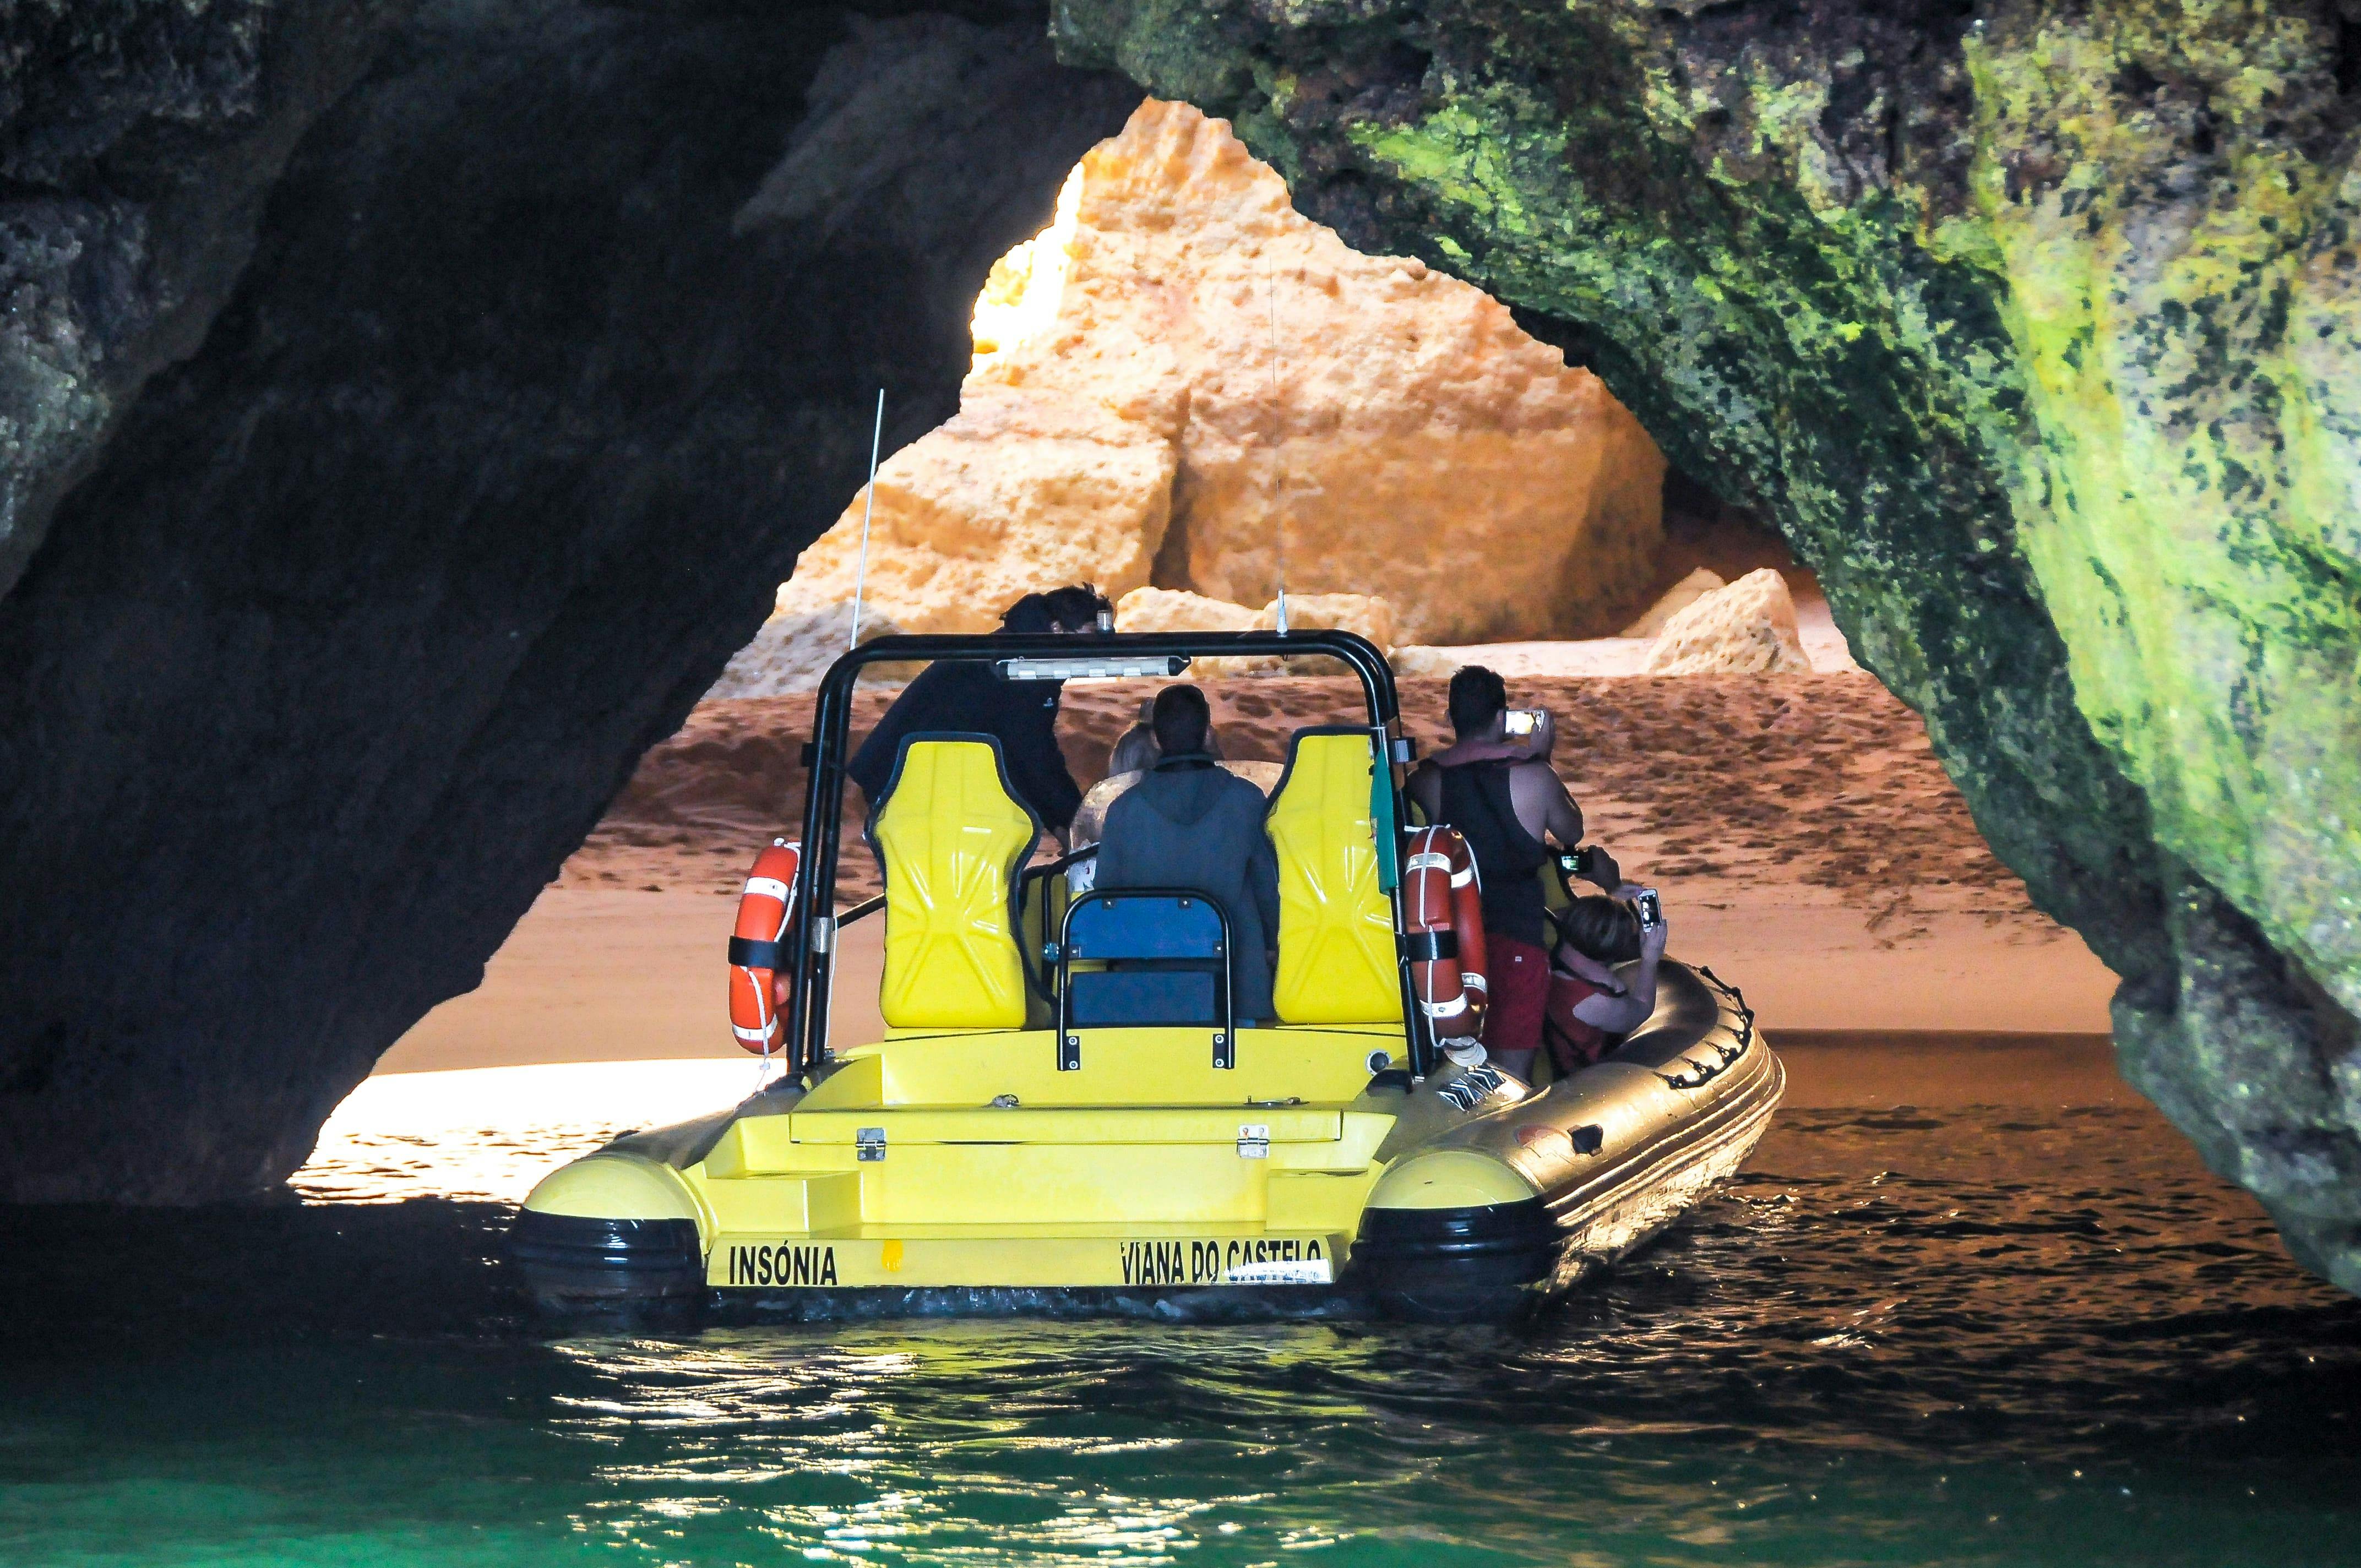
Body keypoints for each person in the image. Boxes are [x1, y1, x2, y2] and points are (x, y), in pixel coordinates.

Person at [1407, 665, 1622, 1082]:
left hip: (1448, 939)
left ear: (1450, 719)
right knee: (1513, 1066)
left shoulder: (1425, 781)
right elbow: (1572, 831)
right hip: (1518, 938)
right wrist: (1543, 758)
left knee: (1457, 1058)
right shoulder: (1533, 776)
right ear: (1502, 718)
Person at [848, 585, 1110, 843]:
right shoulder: (1022, 668)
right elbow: (1034, 756)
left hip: (911, 778)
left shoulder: (1019, 650)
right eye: (1090, 636)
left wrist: (1061, 823)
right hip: (910, 785)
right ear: (1057, 629)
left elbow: (1018, 753)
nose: (1093, 648)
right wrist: (1074, 824)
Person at [1092, 684, 1281, 1022]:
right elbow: (1270, 889)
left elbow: (1106, 895)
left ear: (1155, 741)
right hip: (1237, 986)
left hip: (1147, 985)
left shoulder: (1123, 810)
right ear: (1209, 734)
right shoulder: (1246, 800)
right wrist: (1271, 945)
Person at [1544, 894, 1669, 1074]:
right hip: (1577, 1082)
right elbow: (1641, 1009)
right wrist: (1650, 960)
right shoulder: (1593, 1001)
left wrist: (1611, 902)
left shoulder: (1553, 957)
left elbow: (1589, 929)